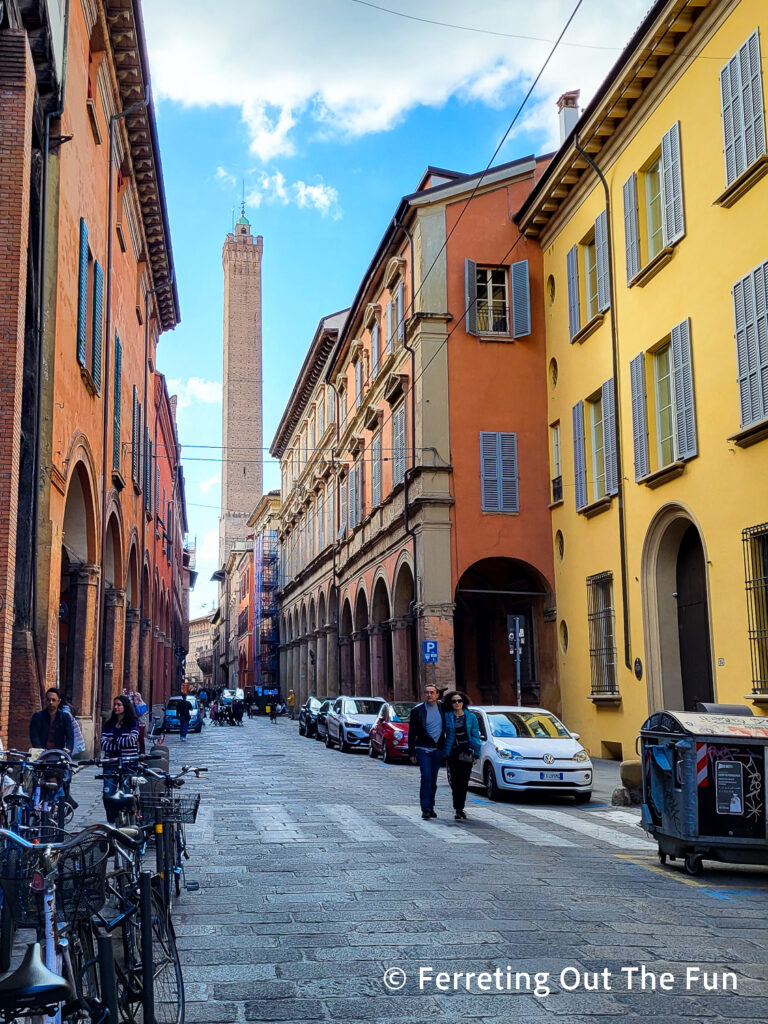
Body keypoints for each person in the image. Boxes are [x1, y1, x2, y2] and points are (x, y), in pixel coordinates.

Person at [407, 683, 455, 820]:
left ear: (437, 695)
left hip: (438, 750)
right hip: (423, 749)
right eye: (427, 692)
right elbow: (412, 733)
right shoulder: (418, 710)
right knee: (426, 777)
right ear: (424, 694)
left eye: (432, 692)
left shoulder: (443, 708)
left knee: (433, 779)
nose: (429, 695)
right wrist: (412, 752)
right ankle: (426, 809)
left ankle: (431, 806)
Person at [100, 696, 140, 823]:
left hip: (129, 764)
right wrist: (121, 741)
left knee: (126, 796)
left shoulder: (133, 723)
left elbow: (132, 740)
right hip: (110, 764)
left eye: (119, 705)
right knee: (108, 796)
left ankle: (129, 821)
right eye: (115, 704)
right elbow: (103, 744)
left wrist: (115, 740)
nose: (116, 707)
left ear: (125, 707)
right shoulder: (109, 724)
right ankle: (111, 821)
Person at [443, 691, 481, 820]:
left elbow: (475, 735)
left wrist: (477, 753)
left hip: (466, 752)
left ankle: (460, 808)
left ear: (463, 702)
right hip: (453, 752)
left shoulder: (471, 717)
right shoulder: (447, 716)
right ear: (450, 703)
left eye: (459, 701)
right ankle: (457, 806)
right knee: (455, 781)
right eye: (454, 701)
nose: (457, 703)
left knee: (464, 782)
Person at [30, 688, 74, 753]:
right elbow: (34, 735)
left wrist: (68, 748)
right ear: (45, 701)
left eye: (53, 700)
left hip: (58, 752)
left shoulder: (65, 717)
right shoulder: (37, 716)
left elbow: (70, 736)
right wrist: (39, 749)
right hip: (41, 753)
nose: (51, 702)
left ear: (58, 701)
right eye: (48, 700)